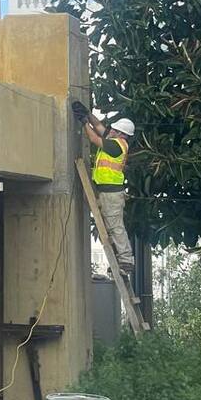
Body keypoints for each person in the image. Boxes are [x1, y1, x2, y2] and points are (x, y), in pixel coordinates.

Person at [73, 102, 136, 276]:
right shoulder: (115, 140)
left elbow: (94, 137)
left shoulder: (117, 146)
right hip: (105, 191)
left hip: (111, 193)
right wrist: (88, 114)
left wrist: (84, 122)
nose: (111, 131)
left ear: (122, 134)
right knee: (109, 227)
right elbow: (100, 127)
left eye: (115, 130)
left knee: (115, 227)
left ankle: (126, 261)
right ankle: (120, 260)